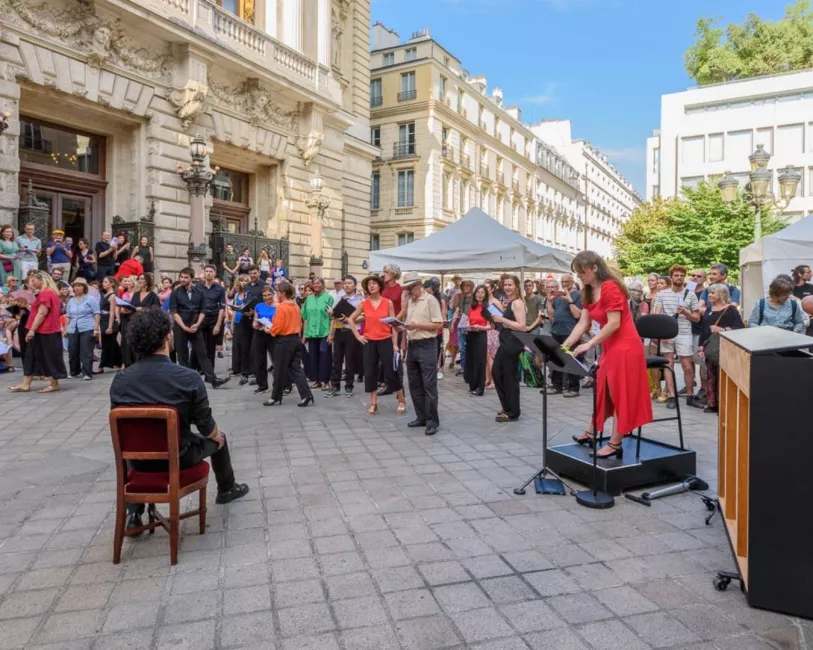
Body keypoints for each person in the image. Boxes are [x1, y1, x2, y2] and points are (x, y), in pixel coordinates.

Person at [110, 308, 249, 530]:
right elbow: (206, 427)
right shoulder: (187, 378)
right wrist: (216, 436)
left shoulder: (121, 380)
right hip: (179, 457)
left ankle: (134, 513)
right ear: (167, 337)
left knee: (135, 441)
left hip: (138, 463)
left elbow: (121, 426)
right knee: (219, 438)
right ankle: (227, 489)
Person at [565, 251, 653, 458]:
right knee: (604, 390)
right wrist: (565, 345)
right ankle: (591, 432)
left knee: (619, 394)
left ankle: (615, 443)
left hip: (625, 346)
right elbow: (583, 322)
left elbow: (614, 323)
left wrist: (590, 344)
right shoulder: (588, 290)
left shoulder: (611, 288)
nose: (580, 277)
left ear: (595, 268)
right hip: (610, 346)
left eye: (581, 272)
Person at [348, 275, 406, 415]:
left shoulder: (388, 303)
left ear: (380, 286)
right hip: (369, 341)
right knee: (370, 372)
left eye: (374, 283)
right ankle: (373, 403)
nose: (371, 286)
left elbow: (393, 324)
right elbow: (351, 319)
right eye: (369, 284)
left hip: (385, 339)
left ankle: (401, 399)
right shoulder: (364, 303)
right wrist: (358, 335)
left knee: (390, 372)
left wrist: (395, 344)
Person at [169, 267, 229, 388]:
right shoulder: (176, 292)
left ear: (191, 278)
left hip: (195, 325)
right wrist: (183, 327)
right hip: (181, 326)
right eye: (181, 277)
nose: (183, 279)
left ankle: (212, 379)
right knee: (182, 354)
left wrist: (197, 324)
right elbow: (174, 312)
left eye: (186, 277)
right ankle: (185, 381)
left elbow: (203, 310)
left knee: (202, 353)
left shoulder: (199, 292)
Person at [8, 271, 67, 394]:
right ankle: (26, 383)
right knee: (31, 355)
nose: (32, 283)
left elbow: (42, 314)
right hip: (44, 330)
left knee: (47, 356)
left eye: (34, 281)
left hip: (45, 330)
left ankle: (54, 383)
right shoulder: (49, 293)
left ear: (42, 280)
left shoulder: (45, 294)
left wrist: (31, 330)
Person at [653, 264, 701, 409]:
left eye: (681, 275)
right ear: (671, 277)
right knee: (668, 364)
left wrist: (686, 313)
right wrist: (661, 333)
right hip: (667, 333)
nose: (679, 278)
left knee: (687, 365)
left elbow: (697, 318)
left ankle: (690, 395)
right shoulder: (662, 294)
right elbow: (657, 315)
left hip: (684, 332)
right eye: (676, 275)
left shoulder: (690, 294)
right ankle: (672, 395)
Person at [400, 271, 443, 435]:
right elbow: (409, 322)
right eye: (407, 289)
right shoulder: (411, 301)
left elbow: (438, 324)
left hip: (427, 344)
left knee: (429, 384)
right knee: (414, 383)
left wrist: (418, 325)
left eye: (410, 288)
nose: (408, 292)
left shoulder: (430, 300)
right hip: (413, 344)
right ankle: (421, 417)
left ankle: (432, 421)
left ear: (418, 285)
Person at [264, 281, 314, 407]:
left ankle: (275, 396)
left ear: (283, 293)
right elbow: (300, 323)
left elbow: (278, 327)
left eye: (277, 292)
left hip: (284, 341)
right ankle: (306, 394)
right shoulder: (296, 306)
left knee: (279, 369)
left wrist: (269, 330)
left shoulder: (281, 307)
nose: (276, 295)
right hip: (295, 339)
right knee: (296, 368)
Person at [698, 284, 744, 414]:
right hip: (710, 348)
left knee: (723, 376)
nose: (710, 296)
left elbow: (739, 328)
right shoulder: (708, 309)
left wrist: (722, 330)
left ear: (722, 295)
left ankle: (724, 404)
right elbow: (704, 329)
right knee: (711, 375)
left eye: (713, 293)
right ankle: (712, 403)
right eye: (709, 293)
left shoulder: (731, 310)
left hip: (725, 348)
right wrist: (701, 347)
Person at [490, 274, 527, 422]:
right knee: (498, 372)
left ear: (517, 286)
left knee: (508, 376)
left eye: (510, 285)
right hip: (506, 341)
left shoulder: (517, 303)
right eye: (505, 285)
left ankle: (512, 411)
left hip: (512, 343)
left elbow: (521, 326)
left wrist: (502, 319)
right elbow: (510, 323)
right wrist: (498, 324)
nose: (507, 287)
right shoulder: (511, 302)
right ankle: (507, 406)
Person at [545, 275, 583, 398]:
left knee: (571, 359)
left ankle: (573, 387)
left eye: (567, 281)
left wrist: (569, 300)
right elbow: (551, 315)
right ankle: (557, 385)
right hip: (556, 331)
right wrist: (549, 301)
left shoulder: (577, 295)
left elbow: (577, 315)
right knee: (556, 358)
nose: (565, 284)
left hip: (570, 332)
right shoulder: (557, 297)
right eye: (563, 282)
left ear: (572, 282)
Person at [326, 275, 362, 398]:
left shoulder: (359, 300)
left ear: (355, 286)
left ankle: (349, 386)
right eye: (345, 283)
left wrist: (350, 319)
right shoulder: (339, 298)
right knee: (336, 360)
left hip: (351, 332)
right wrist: (331, 333)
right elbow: (334, 317)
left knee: (350, 360)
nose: (347, 285)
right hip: (339, 331)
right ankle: (335, 386)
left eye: (350, 283)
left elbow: (364, 316)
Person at [63, 277, 100, 380]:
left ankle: (87, 373)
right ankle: (74, 371)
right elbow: (68, 316)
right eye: (75, 286)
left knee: (86, 351)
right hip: (73, 328)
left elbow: (97, 314)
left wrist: (96, 328)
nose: (77, 288)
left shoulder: (91, 299)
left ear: (84, 287)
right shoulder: (71, 301)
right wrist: (65, 329)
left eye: (79, 286)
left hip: (87, 327)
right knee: (72, 351)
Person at [192, 264, 226, 373]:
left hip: (213, 319)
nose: (209, 273)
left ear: (214, 273)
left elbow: (222, 307)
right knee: (198, 345)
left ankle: (210, 372)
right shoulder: (197, 287)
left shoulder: (219, 289)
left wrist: (218, 325)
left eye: (211, 271)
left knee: (211, 347)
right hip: (200, 320)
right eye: (207, 271)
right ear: (204, 273)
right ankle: (197, 368)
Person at [301, 277, 334, 389]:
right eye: (314, 283)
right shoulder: (308, 299)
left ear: (323, 285)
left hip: (324, 331)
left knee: (325, 356)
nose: (316, 285)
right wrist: (304, 334)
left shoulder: (328, 298)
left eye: (318, 283)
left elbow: (333, 318)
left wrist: (331, 334)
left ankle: (325, 380)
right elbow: (305, 317)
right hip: (311, 332)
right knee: (313, 357)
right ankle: (316, 380)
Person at [237, 266, 264, 385]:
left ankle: (256, 373)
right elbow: (245, 300)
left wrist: (255, 312)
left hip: (257, 320)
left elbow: (266, 302)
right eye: (250, 273)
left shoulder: (264, 286)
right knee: (244, 347)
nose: (252, 275)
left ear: (259, 273)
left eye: (255, 273)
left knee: (256, 348)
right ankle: (244, 373)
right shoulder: (246, 286)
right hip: (245, 319)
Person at [464, 284, 491, 396]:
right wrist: (466, 326)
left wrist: (480, 328)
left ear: (485, 295)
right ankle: (473, 385)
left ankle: (480, 387)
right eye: (478, 292)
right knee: (471, 360)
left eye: (482, 293)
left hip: (481, 335)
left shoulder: (487, 308)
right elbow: (468, 321)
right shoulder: (472, 307)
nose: (479, 295)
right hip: (471, 334)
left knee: (480, 361)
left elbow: (490, 326)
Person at [251, 286, 277, 393]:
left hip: (273, 334)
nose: (267, 298)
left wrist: (270, 327)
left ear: (273, 294)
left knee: (276, 359)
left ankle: (282, 383)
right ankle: (262, 384)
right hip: (260, 333)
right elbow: (255, 320)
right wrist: (256, 324)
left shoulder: (278, 307)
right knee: (259, 359)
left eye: (269, 295)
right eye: (264, 296)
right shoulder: (258, 306)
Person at [96, 276, 121, 374]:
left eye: (106, 282)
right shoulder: (105, 295)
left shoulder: (112, 296)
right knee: (112, 344)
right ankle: (120, 362)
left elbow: (112, 312)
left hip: (109, 321)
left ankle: (101, 366)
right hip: (104, 320)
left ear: (112, 284)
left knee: (107, 345)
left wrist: (110, 326)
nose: (103, 283)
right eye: (103, 281)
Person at [452, 280, 474, 376]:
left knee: (471, 347)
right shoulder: (461, 297)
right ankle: (463, 367)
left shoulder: (475, 297)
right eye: (465, 285)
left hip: (471, 325)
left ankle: (471, 367)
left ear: (472, 287)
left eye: (468, 285)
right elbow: (457, 309)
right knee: (462, 348)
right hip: (461, 324)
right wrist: (452, 323)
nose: (466, 287)